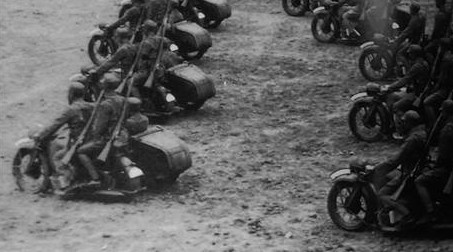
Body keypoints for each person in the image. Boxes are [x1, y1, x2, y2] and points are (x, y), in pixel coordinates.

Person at [33, 83, 95, 190]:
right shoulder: (92, 106)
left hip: (78, 143)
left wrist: (40, 135)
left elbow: (55, 124)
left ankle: (67, 184)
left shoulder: (71, 109)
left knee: (57, 158)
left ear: (71, 94)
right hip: (92, 141)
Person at [77, 73, 125, 186]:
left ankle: (95, 178)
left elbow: (99, 128)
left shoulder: (105, 104)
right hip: (120, 134)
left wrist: (92, 134)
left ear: (105, 87)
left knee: (81, 151)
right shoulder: (122, 99)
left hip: (107, 138)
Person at [414, 100, 453, 224]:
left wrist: (434, 165)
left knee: (419, 181)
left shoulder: (447, 130)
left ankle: (431, 213)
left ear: (445, 113)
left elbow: (445, 155)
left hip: (448, 168)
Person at [374, 110, 426, 198]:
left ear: (410, 123)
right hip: (419, 168)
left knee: (382, 194)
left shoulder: (412, 139)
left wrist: (378, 168)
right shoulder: (422, 133)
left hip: (409, 173)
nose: (402, 124)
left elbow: (396, 160)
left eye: (404, 122)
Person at [384, 45, 430, 135]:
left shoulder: (417, 66)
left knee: (396, 106)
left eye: (410, 54)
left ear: (413, 54)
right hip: (419, 91)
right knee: (394, 96)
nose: (409, 56)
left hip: (417, 94)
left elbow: (405, 80)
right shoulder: (424, 63)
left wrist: (390, 87)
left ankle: (401, 130)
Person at [423, 58, 453, 130]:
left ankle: (433, 124)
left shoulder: (448, 63)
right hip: (444, 88)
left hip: (446, 90)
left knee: (426, 102)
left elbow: (443, 80)